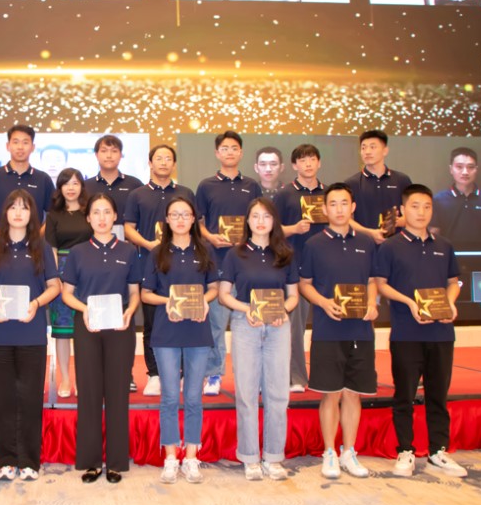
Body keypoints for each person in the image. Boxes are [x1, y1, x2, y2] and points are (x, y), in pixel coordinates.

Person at [373, 184, 466, 478]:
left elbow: (453, 281)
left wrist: (450, 303)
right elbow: (381, 284)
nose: (421, 212)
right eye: (415, 206)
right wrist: (409, 303)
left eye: (426, 206)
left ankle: (438, 451)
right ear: (403, 210)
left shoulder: (444, 246)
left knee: (438, 394)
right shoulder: (390, 247)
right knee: (404, 395)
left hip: (441, 334)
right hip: (406, 333)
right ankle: (405, 450)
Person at [0, 189, 60, 481]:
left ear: (32, 214)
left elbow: (55, 286)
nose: (18, 212)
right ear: (4, 213)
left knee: (29, 397)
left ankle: (28, 460)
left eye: (24, 208)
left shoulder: (42, 248)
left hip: (32, 333)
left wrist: (36, 303)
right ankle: (4, 460)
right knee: (0, 398)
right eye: (12, 207)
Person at [298, 183, 378, 479]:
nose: (339, 209)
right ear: (324, 209)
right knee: (330, 394)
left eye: (344, 203)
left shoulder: (367, 242)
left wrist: (372, 303)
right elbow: (305, 284)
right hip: (327, 329)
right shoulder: (314, 244)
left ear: (353, 207)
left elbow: (372, 280)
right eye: (333, 204)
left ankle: (349, 451)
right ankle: (329, 452)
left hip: (361, 329)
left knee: (354, 394)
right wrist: (323, 302)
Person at [62, 193, 140, 484]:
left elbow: (134, 293)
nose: (102, 217)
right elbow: (67, 293)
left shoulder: (129, 251)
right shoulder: (78, 252)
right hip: (88, 327)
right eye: (96, 212)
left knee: (118, 393)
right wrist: (85, 310)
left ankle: (116, 462)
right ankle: (91, 461)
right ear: (88, 218)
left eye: (107, 212)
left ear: (115, 216)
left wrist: (130, 312)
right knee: (90, 393)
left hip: (120, 326)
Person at [218, 197, 298, 481]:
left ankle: (274, 457)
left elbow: (293, 296)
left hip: (278, 326)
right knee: (247, 393)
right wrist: (246, 310)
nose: (261, 221)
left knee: (278, 393)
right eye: (255, 216)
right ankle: (250, 457)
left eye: (266, 216)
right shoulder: (235, 254)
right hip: (245, 324)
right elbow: (224, 295)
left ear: (274, 220)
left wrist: (281, 311)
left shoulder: (285, 253)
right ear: (248, 221)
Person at [142, 197, 218, 484]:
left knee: (194, 397)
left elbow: (213, 287)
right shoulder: (157, 253)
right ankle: (171, 457)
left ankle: (192, 457)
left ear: (194, 219)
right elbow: (146, 294)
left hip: (198, 331)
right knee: (170, 397)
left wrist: (205, 301)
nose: (181, 219)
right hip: (167, 332)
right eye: (175, 214)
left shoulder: (205, 250)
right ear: (167, 220)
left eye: (186, 214)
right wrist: (170, 301)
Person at [124, 145, 196, 397]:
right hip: (150, 263)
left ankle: (183, 373)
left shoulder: (186, 193)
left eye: (168, 158)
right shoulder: (138, 194)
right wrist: (148, 244)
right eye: (158, 158)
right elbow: (128, 228)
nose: (163, 162)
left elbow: (196, 226)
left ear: (174, 164)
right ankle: (154, 374)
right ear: (150, 163)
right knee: (152, 323)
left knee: (186, 318)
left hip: (184, 264)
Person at [196, 131, 262, 396]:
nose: (230, 152)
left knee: (251, 320)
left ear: (241, 152)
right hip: (217, 263)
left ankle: (256, 376)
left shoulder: (252, 185)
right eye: (225, 148)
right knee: (216, 323)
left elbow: (260, 220)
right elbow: (198, 223)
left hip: (248, 264)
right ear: (217, 153)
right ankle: (214, 373)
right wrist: (211, 237)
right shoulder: (206, 185)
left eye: (234, 148)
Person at [275, 143, 326, 392]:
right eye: (303, 160)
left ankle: (325, 376)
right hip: (296, 266)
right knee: (295, 327)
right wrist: (294, 229)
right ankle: (296, 377)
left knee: (328, 323)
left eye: (312, 159)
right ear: (294, 165)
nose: (308, 164)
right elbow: (273, 229)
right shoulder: (285, 194)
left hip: (326, 267)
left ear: (319, 163)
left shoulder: (328, 193)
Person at [45, 167, 92, 398]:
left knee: (87, 328)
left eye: (75, 183)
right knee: (62, 330)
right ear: (60, 188)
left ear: (82, 186)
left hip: (89, 272)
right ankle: (65, 378)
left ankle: (85, 378)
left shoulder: (90, 212)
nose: (71, 188)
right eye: (66, 183)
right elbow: (51, 249)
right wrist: (56, 278)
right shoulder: (54, 215)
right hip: (62, 274)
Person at [345, 130, 412, 245]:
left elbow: (413, 215)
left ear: (385, 151)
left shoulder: (402, 180)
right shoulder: (351, 183)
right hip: (363, 245)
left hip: (397, 245)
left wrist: (396, 222)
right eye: (363, 148)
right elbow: (347, 220)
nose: (367, 152)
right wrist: (370, 233)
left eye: (372, 147)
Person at [430, 147, 481, 244]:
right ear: (451, 169)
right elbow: (434, 233)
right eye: (459, 167)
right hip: (450, 253)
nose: (465, 172)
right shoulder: (438, 200)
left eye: (470, 167)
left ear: (476, 169)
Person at [0, 125, 56, 224]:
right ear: (8, 146)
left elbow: (54, 213)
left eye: (25, 142)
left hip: (35, 234)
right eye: (15, 142)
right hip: (0, 234)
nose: (20, 147)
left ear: (33, 147)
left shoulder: (43, 179)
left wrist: (40, 232)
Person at [83, 134, 144, 242]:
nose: (109, 155)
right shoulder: (85, 186)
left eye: (114, 151)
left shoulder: (135, 184)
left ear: (120, 155)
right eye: (104, 151)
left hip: (129, 246)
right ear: (96, 155)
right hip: (92, 245)